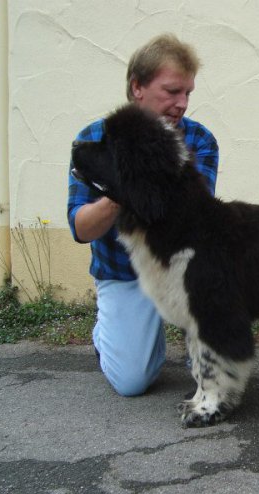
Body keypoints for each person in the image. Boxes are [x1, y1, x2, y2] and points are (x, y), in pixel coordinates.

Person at [67, 34, 219, 396]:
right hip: (124, 273)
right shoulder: (94, 140)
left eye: (188, 93)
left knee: (209, 361)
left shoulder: (199, 141)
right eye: (171, 91)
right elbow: (80, 228)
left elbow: (194, 219)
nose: (182, 104)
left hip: (179, 267)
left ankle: (181, 342)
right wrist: (120, 192)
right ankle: (112, 335)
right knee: (133, 381)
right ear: (137, 87)